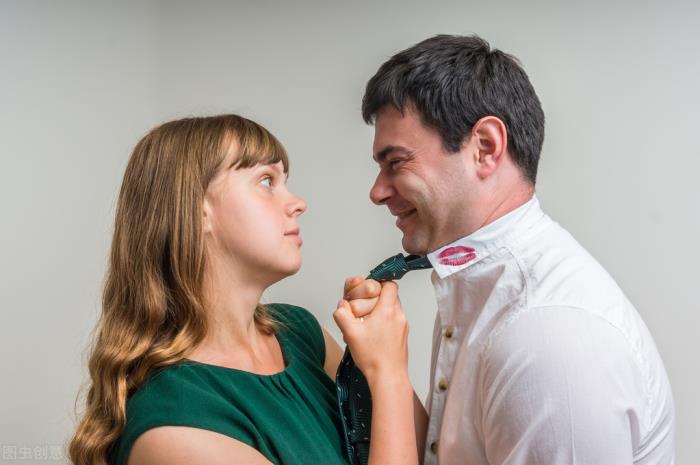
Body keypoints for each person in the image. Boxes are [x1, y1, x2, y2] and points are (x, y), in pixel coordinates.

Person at [341, 34, 675, 465]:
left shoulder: (546, 336)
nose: (377, 192)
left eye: (397, 162)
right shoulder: (479, 289)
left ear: (485, 147)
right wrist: (385, 370)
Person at [69, 114, 424, 465]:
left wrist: (374, 364)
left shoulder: (302, 334)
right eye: (266, 181)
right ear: (196, 209)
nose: (298, 203)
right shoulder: (176, 430)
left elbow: (425, 451)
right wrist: (388, 372)